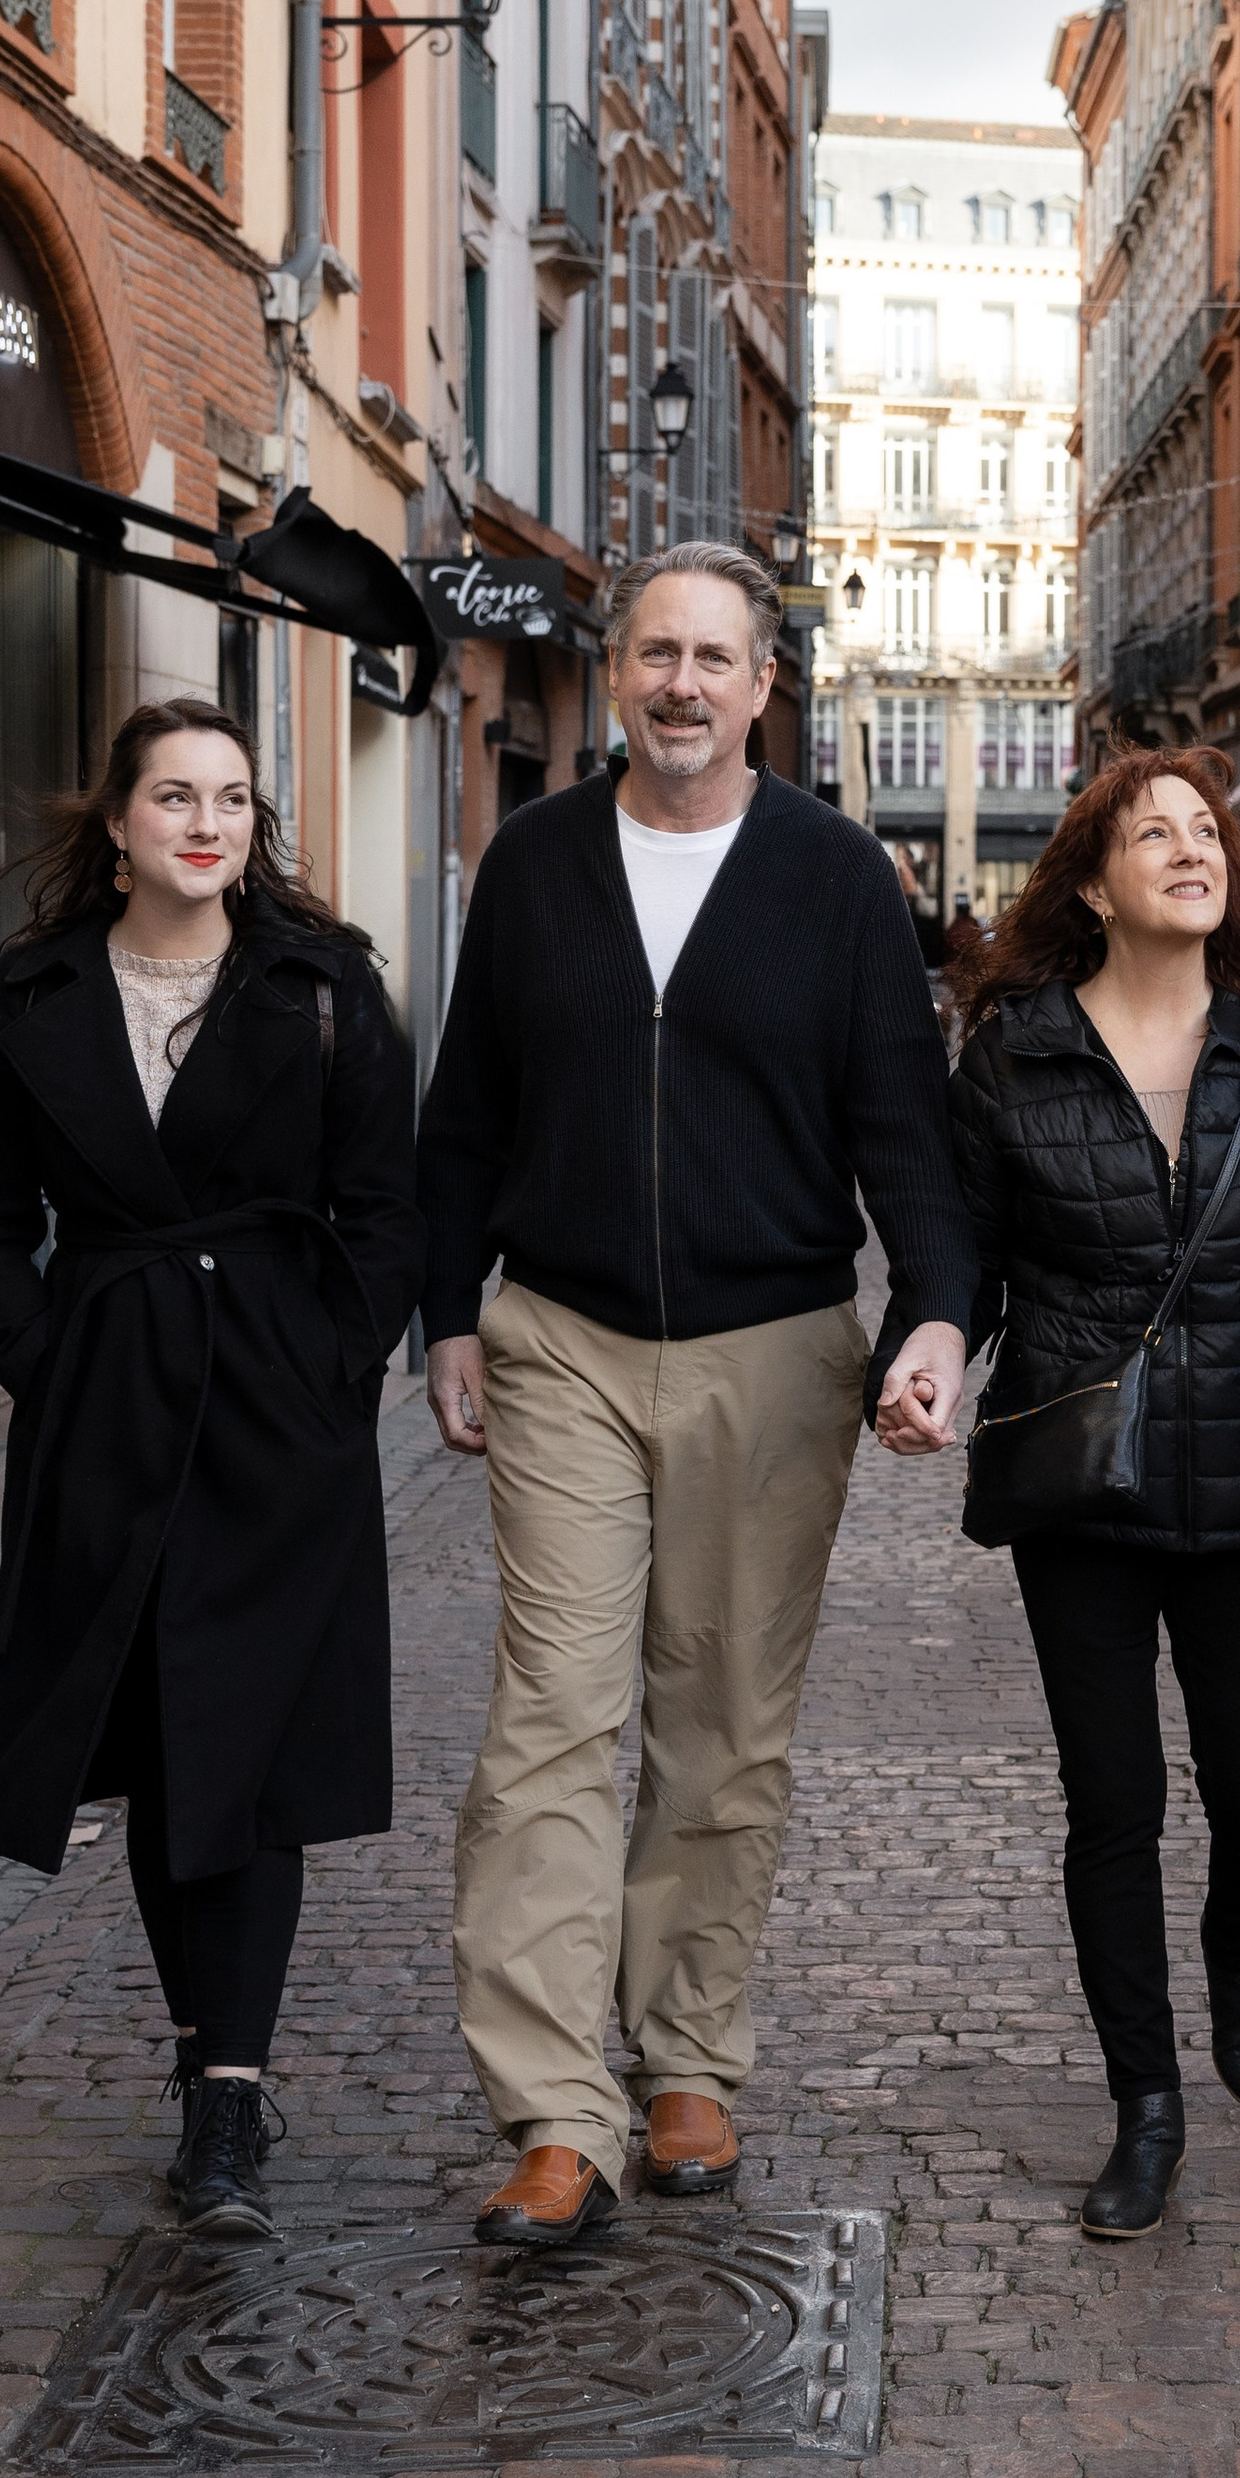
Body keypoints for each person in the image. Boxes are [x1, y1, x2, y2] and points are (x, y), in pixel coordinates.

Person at [418, 543, 978, 2248]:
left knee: (723, 1723)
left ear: (760, 687)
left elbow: (906, 1123)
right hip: (567, 1339)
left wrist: (938, 1313)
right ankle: (552, 2111)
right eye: (654, 650)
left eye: (711, 658)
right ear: (620, 668)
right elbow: (467, 1112)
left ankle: (687, 2060)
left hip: (773, 1348)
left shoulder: (832, 880)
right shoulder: (532, 864)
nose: (678, 683)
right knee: (552, 1726)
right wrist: (448, 1312)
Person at [0, 696, 420, 2240]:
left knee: (253, 1750)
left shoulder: (322, 984)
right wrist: (46, 1359)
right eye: (174, 799)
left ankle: (230, 2095)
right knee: (161, 1746)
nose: (206, 824)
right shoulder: (32, 999)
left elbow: (386, 1209)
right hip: (110, 1412)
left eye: (231, 799)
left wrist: (333, 1366)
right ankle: (199, 2052)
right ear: (121, 822)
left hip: (280, 1420)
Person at [915, 748, 1240, 2241]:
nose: (1189, 848)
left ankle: (1236, 1954)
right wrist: (922, 1349)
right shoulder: (1018, 1055)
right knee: (1111, 1806)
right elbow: (962, 1263)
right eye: (1150, 834)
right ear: (1097, 884)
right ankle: (1147, 2105)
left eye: (1206, 830)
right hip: (1082, 1487)